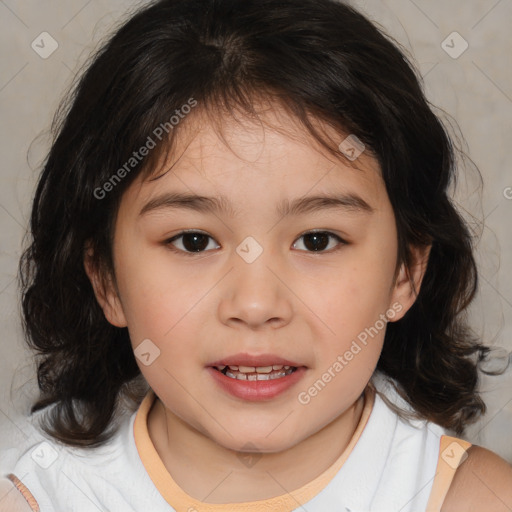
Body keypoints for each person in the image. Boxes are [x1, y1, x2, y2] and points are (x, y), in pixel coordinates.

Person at [1, 0, 511, 510]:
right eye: (193, 241)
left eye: (317, 240)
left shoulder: (473, 499)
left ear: (404, 274)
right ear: (106, 279)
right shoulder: (30, 490)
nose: (255, 303)